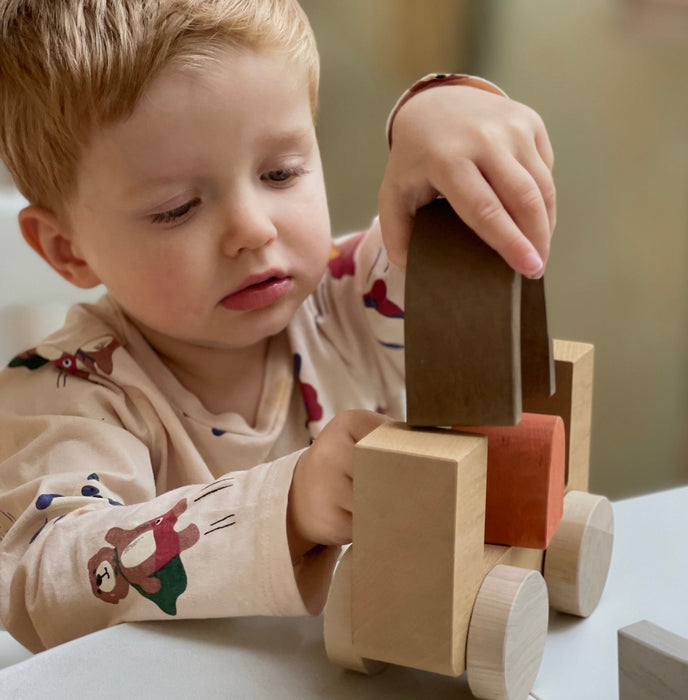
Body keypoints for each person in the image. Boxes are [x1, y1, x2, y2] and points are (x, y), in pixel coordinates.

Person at [0, 0, 556, 652]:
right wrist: (287, 507)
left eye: (281, 173)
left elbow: (449, 253)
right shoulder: (66, 393)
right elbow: (47, 581)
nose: (253, 228)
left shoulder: (352, 294)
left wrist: (439, 109)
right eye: (177, 209)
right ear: (68, 249)